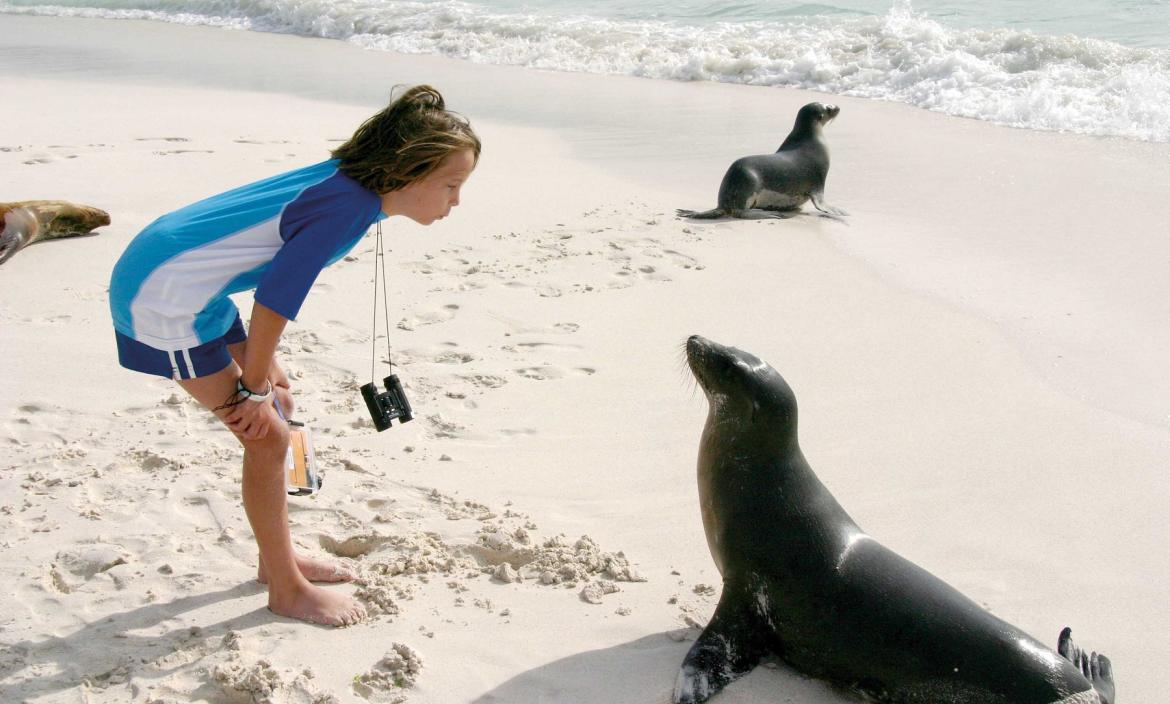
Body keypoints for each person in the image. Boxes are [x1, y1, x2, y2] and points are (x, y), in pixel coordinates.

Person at [108, 85, 480, 626]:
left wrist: (267, 380)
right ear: (407, 173)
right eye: (451, 186)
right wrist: (252, 387)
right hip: (164, 297)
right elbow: (274, 300)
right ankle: (285, 588)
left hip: (190, 279)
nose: (456, 201)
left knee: (280, 403)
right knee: (269, 435)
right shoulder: (346, 210)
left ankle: (273, 558)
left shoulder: (356, 191)